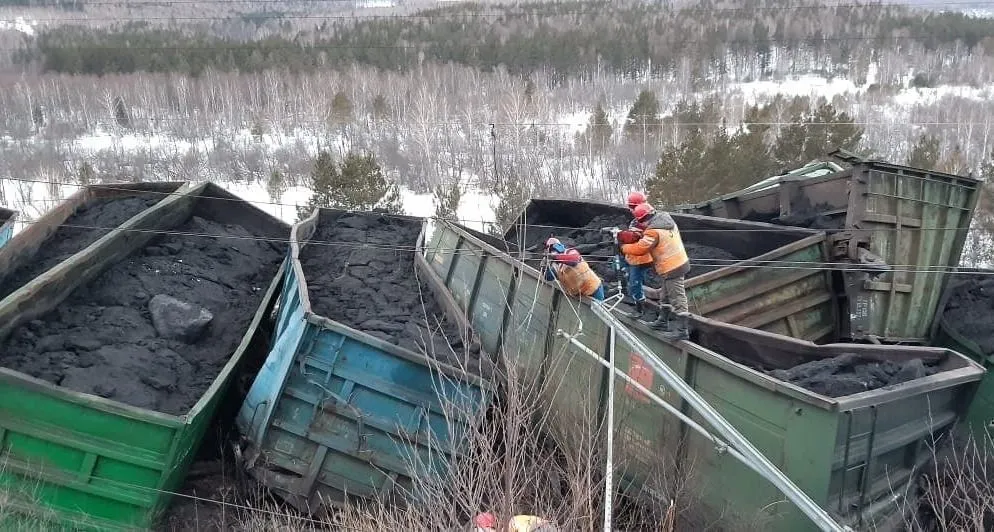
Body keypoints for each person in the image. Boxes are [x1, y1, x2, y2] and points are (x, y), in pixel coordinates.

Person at [618, 202, 691, 340]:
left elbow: (641, 248)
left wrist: (624, 248)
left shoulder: (653, 231)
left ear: (643, 219)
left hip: (672, 267)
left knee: (677, 297)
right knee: (665, 295)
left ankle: (682, 330)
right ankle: (662, 321)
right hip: (674, 263)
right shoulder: (666, 221)